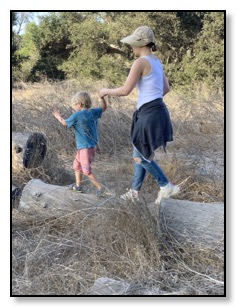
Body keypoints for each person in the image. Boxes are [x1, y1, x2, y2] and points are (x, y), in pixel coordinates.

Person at [99, 26, 179, 204]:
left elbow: (125, 90)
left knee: (140, 156)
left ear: (141, 43)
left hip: (148, 114)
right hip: (158, 110)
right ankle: (134, 192)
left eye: (133, 44)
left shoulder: (140, 62)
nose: (131, 47)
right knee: (141, 152)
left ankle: (166, 186)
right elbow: (166, 88)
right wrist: (152, 98)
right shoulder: (156, 61)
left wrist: (105, 91)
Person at [52, 91, 107, 196]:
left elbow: (64, 123)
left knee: (86, 171)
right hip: (89, 147)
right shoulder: (93, 111)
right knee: (76, 166)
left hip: (85, 148)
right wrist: (102, 99)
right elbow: (104, 108)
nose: (73, 107)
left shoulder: (77, 115)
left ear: (80, 104)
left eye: (74, 105)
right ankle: (78, 186)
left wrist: (58, 116)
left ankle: (101, 188)